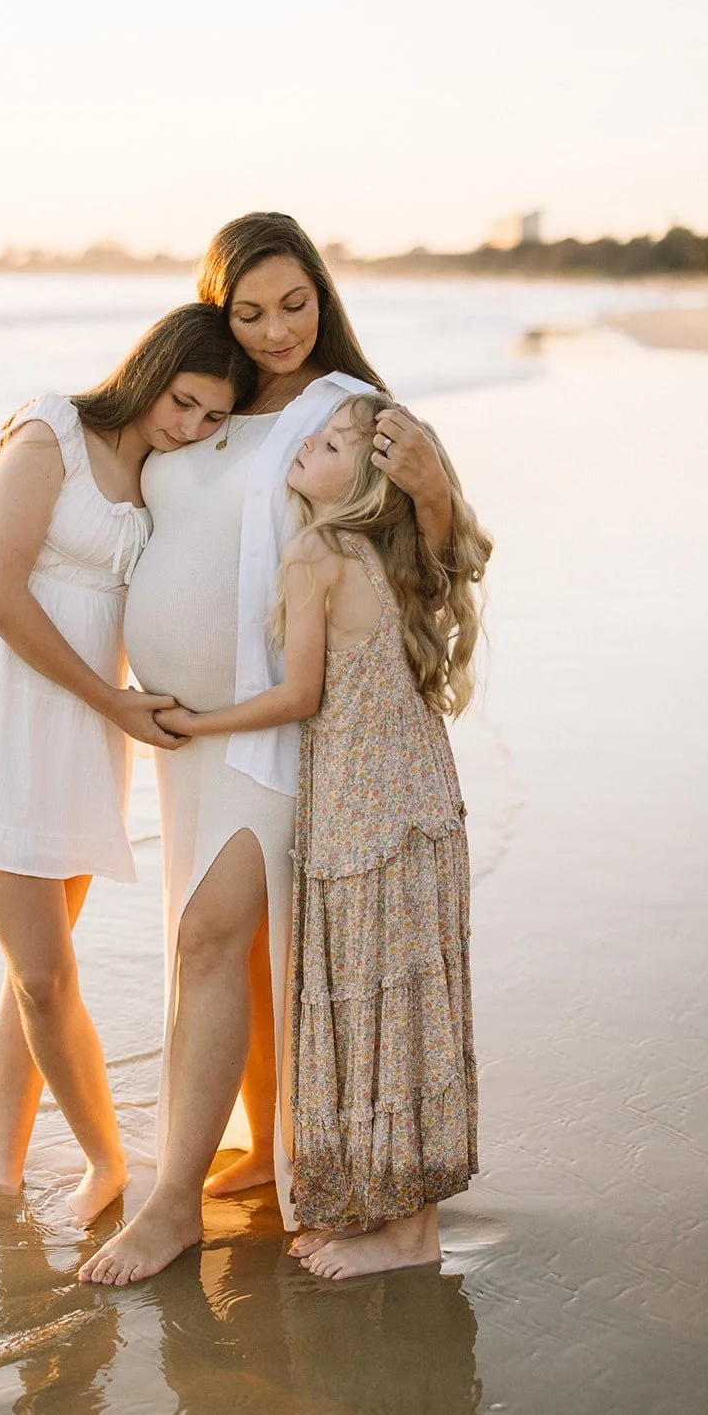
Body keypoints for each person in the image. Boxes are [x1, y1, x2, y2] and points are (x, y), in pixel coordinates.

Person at [80, 212, 456, 1285]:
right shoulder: (207, 405)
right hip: (180, 734)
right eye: (248, 311)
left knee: (209, 935)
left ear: (322, 296)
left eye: (293, 303)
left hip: (273, 730)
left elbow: (425, 578)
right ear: (217, 309)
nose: (276, 328)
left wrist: (427, 489)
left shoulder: (352, 412)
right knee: (225, 949)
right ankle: (257, 1147)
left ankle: (167, 1207)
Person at [0, 304, 255, 1226]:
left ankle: (1, 1173)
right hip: (4, 722)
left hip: (83, 734)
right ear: (151, 370)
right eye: (185, 402)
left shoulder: (162, 472)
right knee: (45, 977)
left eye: (214, 417)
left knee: (34, 971)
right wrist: (116, 706)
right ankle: (106, 1164)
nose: (194, 428)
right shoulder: (50, 429)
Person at [148, 393, 491, 1278]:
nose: (310, 443)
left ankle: (408, 1236)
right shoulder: (385, 549)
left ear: (368, 479)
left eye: (334, 442)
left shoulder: (315, 552)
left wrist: (201, 721)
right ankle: (396, 1217)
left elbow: (299, 697)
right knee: (405, 1008)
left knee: (375, 1005)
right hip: (418, 795)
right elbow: (463, 562)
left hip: (362, 806)